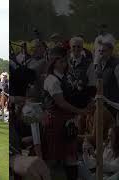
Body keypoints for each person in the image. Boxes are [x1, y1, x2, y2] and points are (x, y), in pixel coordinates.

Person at [42, 46, 89, 180]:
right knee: (54, 158)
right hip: (55, 122)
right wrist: (81, 111)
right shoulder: (51, 79)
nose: (64, 64)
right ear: (54, 62)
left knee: (71, 156)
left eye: (65, 61)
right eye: (61, 61)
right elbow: (61, 102)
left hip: (68, 121)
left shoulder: (66, 77)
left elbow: (73, 96)